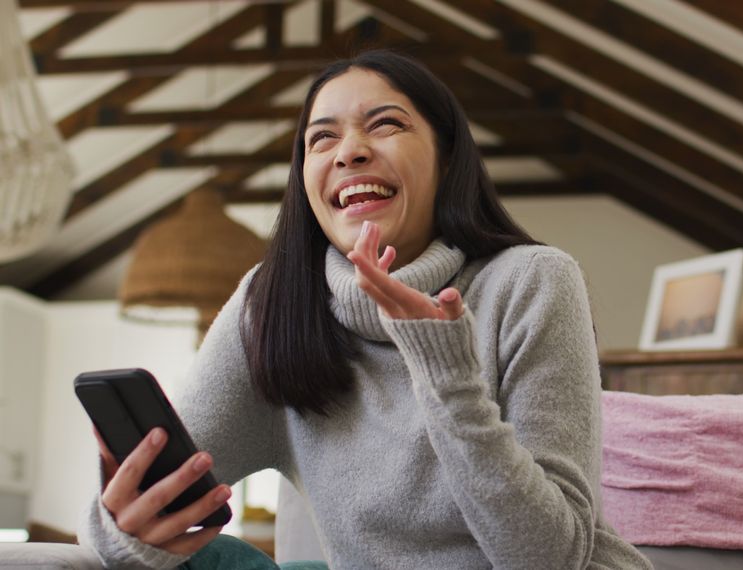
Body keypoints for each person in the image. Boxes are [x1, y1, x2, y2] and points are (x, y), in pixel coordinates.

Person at [78, 49, 654, 569]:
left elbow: (550, 559)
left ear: (447, 158)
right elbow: (154, 509)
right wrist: (122, 523)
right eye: (321, 139)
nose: (350, 151)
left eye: (386, 125)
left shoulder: (532, 280)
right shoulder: (274, 303)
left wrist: (447, 375)